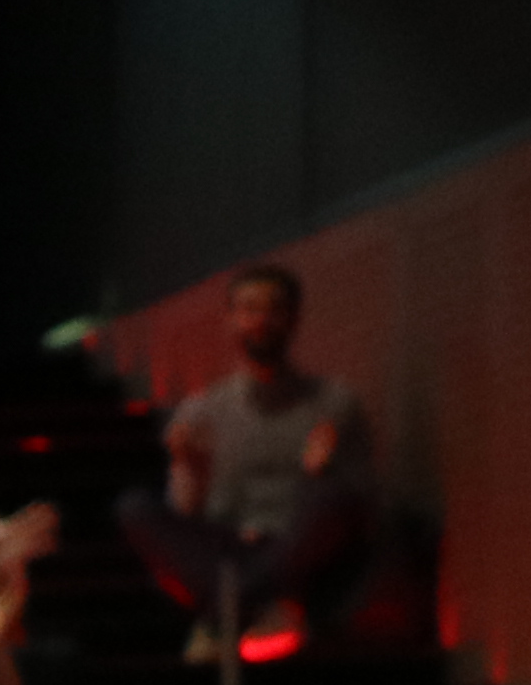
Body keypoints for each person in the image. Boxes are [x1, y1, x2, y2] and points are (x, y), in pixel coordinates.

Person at [119, 261, 378, 657]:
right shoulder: (203, 411)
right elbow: (185, 513)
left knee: (332, 499)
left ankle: (226, 615)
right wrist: (191, 469)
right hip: (225, 549)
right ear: (231, 320)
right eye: (249, 309)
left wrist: (321, 472)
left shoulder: (334, 404)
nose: (261, 321)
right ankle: (260, 605)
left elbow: (358, 511)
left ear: (292, 318)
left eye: (273, 309)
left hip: (293, 548)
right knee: (134, 507)